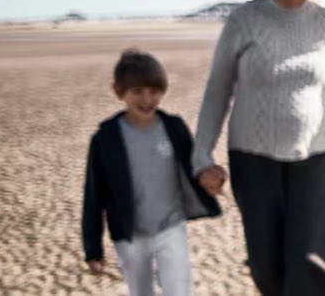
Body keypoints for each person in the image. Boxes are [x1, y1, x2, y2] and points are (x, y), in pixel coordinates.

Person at [192, 0, 325, 295]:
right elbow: (218, 90)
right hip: (253, 159)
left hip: (316, 158)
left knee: (311, 258)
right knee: (266, 263)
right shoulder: (244, 20)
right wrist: (201, 155)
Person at [82, 49, 222, 296]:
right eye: (137, 92)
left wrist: (212, 176)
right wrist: (93, 249)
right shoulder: (105, 139)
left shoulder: (174, 127)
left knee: (179, 290)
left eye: (154, 91)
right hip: (129, 235)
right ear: (118, 91)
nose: (147, 99)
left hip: (171, 226)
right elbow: (94, 196)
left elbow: (196, 167)